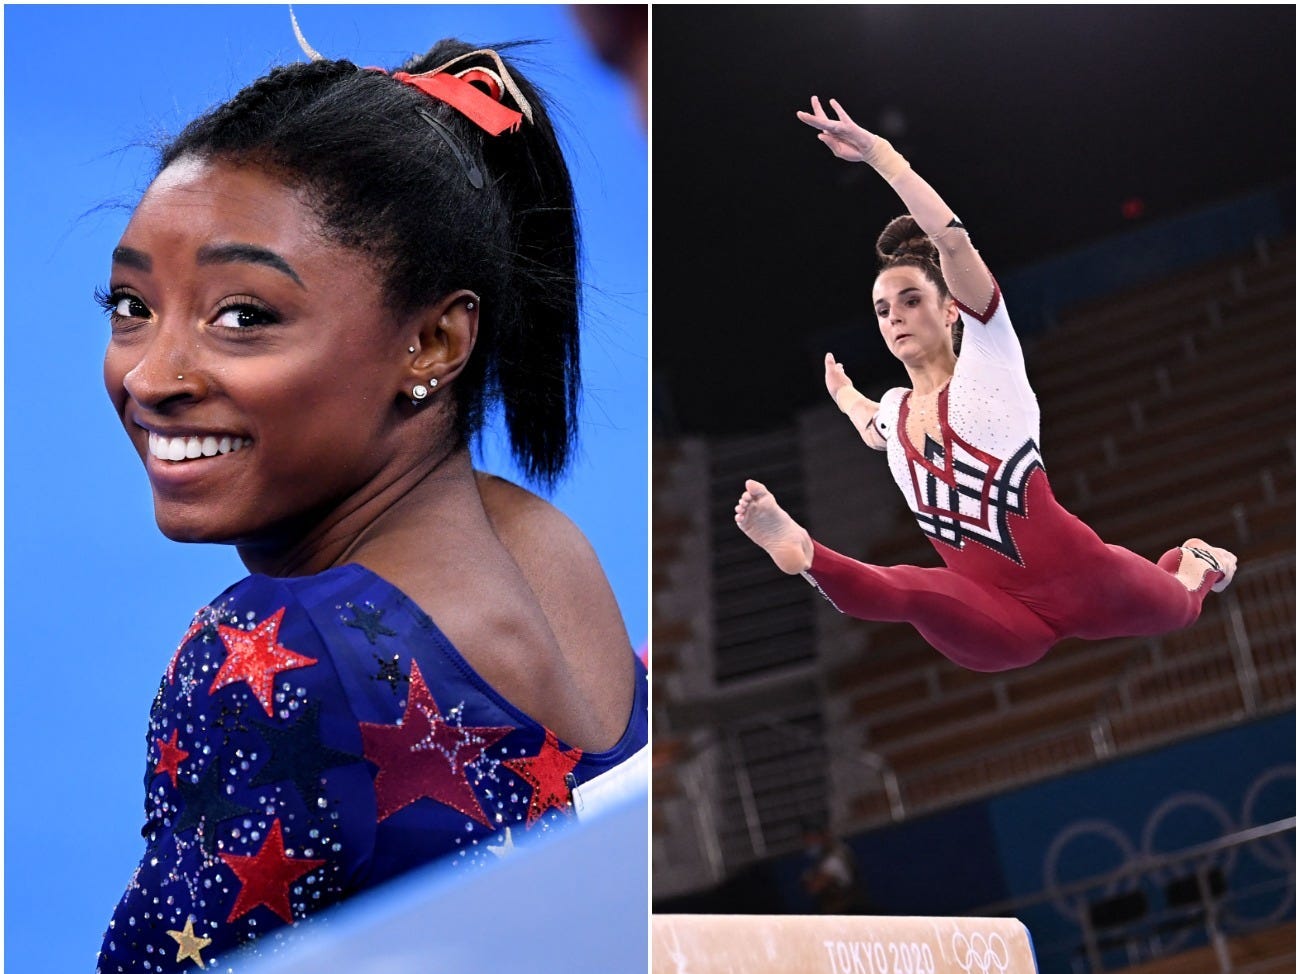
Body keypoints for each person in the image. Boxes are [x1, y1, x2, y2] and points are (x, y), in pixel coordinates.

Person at [95, 39, 646, 973]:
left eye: (243, 315)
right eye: (129, 306)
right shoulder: (545, 545)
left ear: (433, 341)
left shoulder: (280, 656)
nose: (151, 376)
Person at [735, 97, 1237, 673]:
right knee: (911, 592)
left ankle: (1197, 563)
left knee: (1181, 607)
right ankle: (805, 553)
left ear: (951, 310)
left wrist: (880, 156)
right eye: (880, 309)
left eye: (910, 299)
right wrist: (844, 394)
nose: (894, 316)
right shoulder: (895, 417)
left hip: (1091, 584)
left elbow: (952, 242)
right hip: (997, 620)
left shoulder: (990, 360)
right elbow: (869, 424)